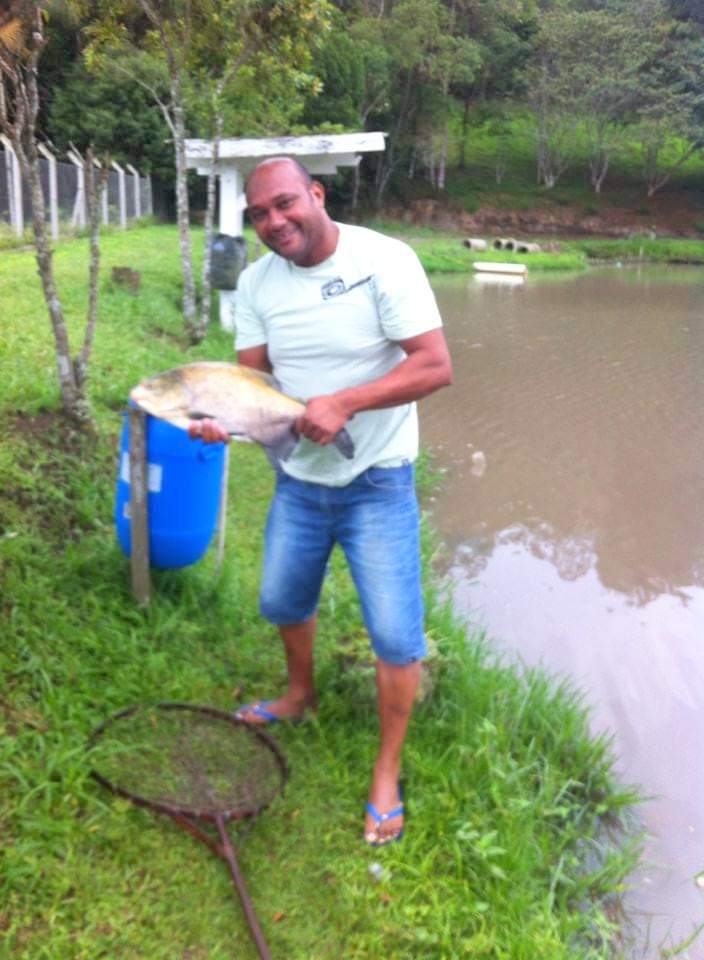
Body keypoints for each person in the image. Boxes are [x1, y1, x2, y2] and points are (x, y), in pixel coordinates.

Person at [190, 157, 452, 845]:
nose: (274, 222)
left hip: (379, 481)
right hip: (300, 481)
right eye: (259, 215)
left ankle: (386, 770)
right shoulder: (256, 283)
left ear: (316, 193)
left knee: (395, 636)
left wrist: (345, 402)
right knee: (282, 600)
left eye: (285, 204)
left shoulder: (384, 260)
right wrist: (222, 419)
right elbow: (252, 387)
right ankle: (300, 695)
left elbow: (434, 365)